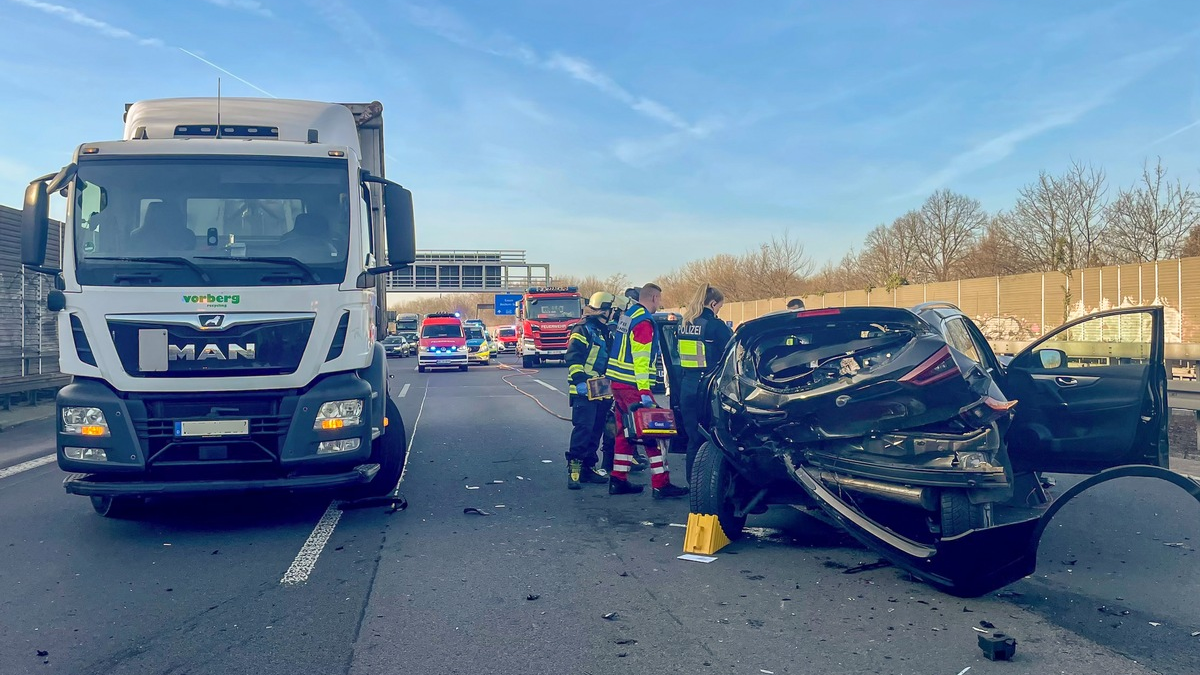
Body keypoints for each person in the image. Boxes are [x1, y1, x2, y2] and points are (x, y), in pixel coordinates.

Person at [606, 283, 688, 499]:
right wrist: (645, 391)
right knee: (653, 433)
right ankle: (661, 484)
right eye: (659, 299)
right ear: (653, 298)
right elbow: (641, 359)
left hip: (618, 383)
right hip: (634, 384)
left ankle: (618, 478)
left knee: (625, 432)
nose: (659, 304)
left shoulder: (628, 315)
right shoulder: (643, 322)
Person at [677, 284, 734, 484]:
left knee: (693, 438)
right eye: (719, 306)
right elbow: (731, 354)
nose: (719, 310)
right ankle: (711, 485)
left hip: (687, 386)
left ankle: (693, 483)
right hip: (708, 388)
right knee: (716, 439)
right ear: (712, 303)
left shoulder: (684, 323)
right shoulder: (715, 326)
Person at [564, 291, 616, 489]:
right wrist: (580, 380)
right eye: (612, 311)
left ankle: (588, 468)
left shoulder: (605, 331)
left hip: (601, 389)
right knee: (583, 430)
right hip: (584, 390)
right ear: (603, 311)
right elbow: (573, 357)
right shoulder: (582, 330)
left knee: (596, 430)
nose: (614, 314)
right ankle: (575, 471)